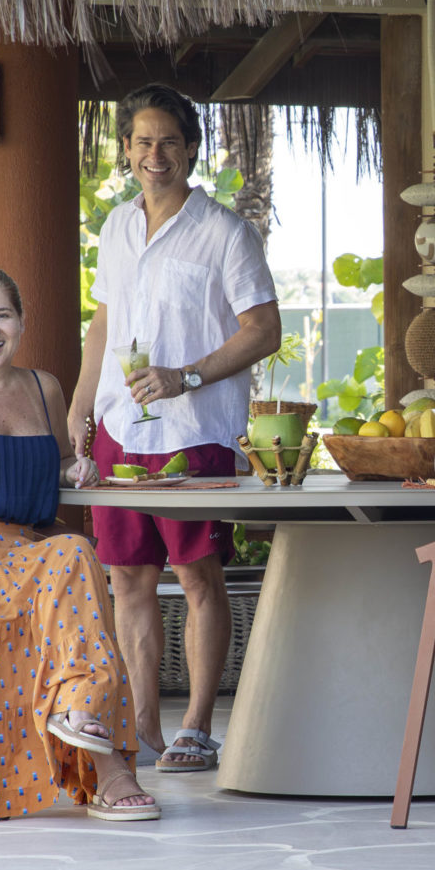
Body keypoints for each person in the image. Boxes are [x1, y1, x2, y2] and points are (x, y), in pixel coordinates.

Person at [67, 85, 281, 772]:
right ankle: (145, 727)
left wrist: (185, 376)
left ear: (190, 150)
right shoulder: (116, 227)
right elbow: (104, 320)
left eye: (168, 142)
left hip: (195, 431)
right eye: (141, 141)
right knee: (127, 580)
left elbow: (264, 330)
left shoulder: (226, 232)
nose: (154, 155)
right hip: (120, 429)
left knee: (198, 578)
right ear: (126, 150)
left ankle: (195, 728)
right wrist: (80, 406)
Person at [0, 266, 159, 824]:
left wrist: (77, 467)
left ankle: (82, 716)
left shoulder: (45, 388)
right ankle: (103, 755)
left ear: (20, 323)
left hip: (31, 555)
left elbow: (57, 463)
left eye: (2, 316)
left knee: (69, 555)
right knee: (73, 553)